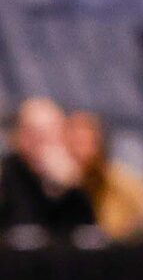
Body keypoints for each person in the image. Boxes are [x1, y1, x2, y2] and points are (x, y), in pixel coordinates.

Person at [0, 98, 96, 242]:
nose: (43, 140)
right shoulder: (6, 174)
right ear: (20, 136)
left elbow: (88, 234)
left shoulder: (72, 177)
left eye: (51, 131)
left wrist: (62, 188)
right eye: (35, 132)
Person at [63, 109, 143, 242]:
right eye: (74, 143)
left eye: (85, 143)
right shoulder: (54, 186)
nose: (79, 151)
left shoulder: (126, 185)